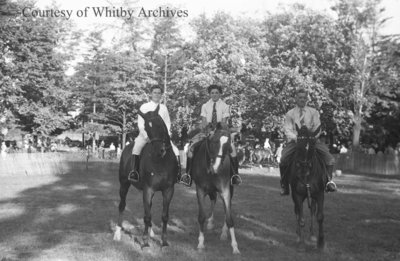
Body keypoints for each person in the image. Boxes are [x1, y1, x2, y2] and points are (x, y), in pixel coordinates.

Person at [180, 84, 242, 186]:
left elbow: (224, 122)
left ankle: (235, 175)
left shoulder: (225, 106)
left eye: (216, 93)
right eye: (212, 93)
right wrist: (207, 129)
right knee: (191, 148)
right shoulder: (205, 106)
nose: (214, 95)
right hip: (206, 131)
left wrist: (216, 130)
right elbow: (204, 121)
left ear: (220, 94)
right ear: (209, 94)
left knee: (233, 149)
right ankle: (188, 175)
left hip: (221, 132)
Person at [279, 89, 337, 196]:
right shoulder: (290, 114)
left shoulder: (313, 112)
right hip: (296, 141)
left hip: (312, 140)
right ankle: (284, 185)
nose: (302, 99)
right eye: (300, 97)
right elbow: (287, 129)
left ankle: (329, 182)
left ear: (307, 99)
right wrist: (298, 138)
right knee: (283, 159)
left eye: (304, 97)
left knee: (330, 159)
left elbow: (317, 127)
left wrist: (312, 138)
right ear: (296, 98)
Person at [128, 85, 181, 183]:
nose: (157, 94)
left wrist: (167, 135)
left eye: (159, 93)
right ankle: (134, 172)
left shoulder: (164, 108)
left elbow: (167, 123)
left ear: (161, 95)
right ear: (150, 94)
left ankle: (178, 174)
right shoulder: (144, 107)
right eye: (154, 92)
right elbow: (140, 124)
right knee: (136, 148)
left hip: (162, 137)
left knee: (176, 150)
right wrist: (146, 136)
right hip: (146, 135)